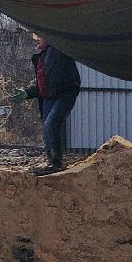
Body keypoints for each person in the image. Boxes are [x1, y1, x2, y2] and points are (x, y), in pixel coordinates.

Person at [12, 32, 81, 174]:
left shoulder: (58, 50)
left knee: (51, 124)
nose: (36, 40)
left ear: (50, 38)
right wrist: (26, 93)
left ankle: (56, 162)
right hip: (48, 97)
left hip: (64, 94)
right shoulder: (41, 58)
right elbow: (43, 85)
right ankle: (51, 161)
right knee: (47, 128)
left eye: (39, 36)